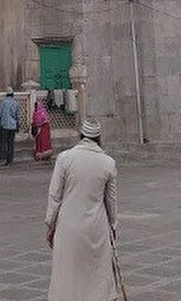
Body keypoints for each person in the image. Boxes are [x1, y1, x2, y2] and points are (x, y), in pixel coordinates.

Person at [45, 118, 118, 301]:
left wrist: (50, 224)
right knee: (96, 273)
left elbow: (55, 195)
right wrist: (113, 225)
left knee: (68, 273)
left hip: (68, 225)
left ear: (81, 135)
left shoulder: (64, 159)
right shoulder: (108, 163)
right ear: (99, 137)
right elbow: (111, 200)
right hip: (96, 227)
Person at [0, 87, 21, 165]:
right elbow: (17, 116)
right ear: (13, 94)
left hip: (4, 126)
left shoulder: (3, 102)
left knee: (3, 143)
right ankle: (10, 160)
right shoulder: (15, 103)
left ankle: (3, 159)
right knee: (11, 143)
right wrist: (18, 125)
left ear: (6, 94)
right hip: (12, 126)